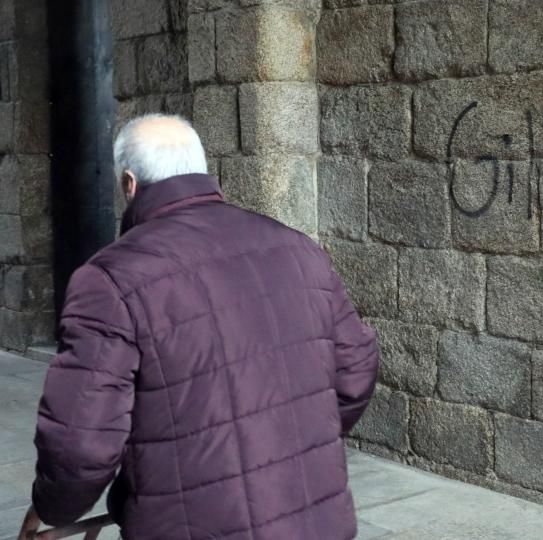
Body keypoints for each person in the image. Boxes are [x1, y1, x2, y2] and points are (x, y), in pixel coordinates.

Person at [17, 114, 379, 540]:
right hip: (317, 521)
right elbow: (356, 372)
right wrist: (289, 448)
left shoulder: (110, 280)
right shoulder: (299, 248)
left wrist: (53, 505)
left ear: (129, 185)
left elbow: (80, 443)